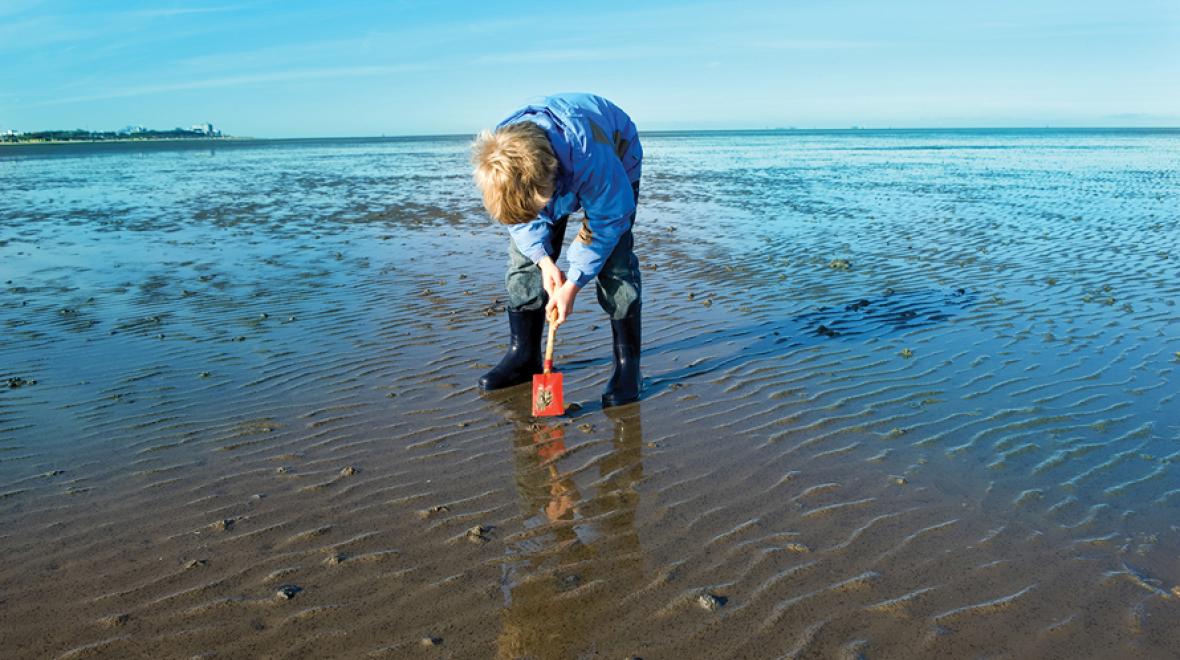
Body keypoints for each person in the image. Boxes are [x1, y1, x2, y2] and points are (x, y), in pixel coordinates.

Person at [471, 93, 643, 407]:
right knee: (523, 261)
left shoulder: (592, 157)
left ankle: (627, 364)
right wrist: (544, 261)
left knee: (614, 263)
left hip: (615, 150)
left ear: (552, 179)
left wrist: (573, 284)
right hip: (556, 169)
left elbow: (607, 223)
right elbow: (522, 222)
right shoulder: (501, 159)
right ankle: (523, 355)